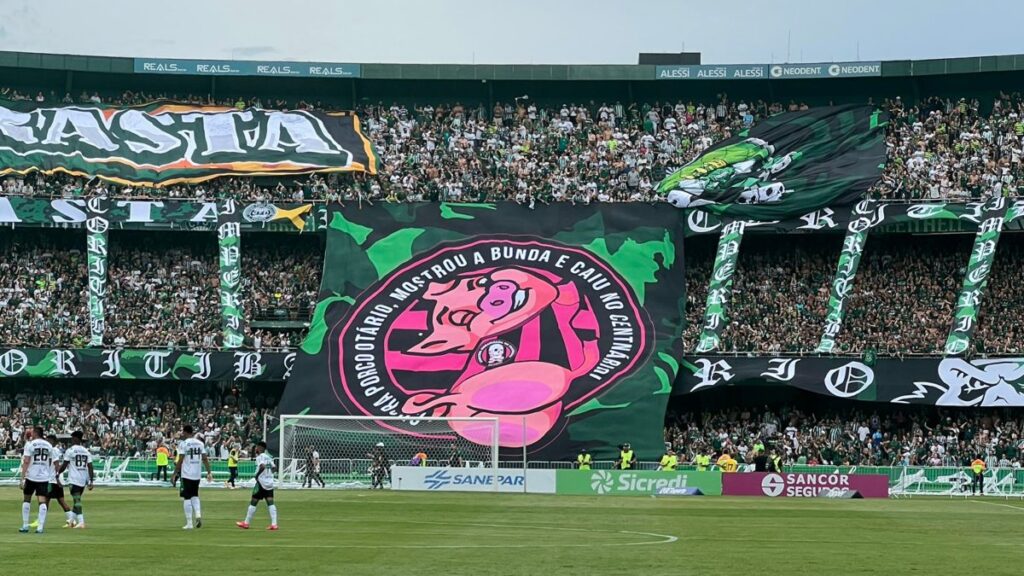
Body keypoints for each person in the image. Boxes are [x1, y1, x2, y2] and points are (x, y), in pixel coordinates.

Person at [172, 424, 213, 530]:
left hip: (186, 474)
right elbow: (205, 458)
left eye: (183, 432)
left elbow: (180, 459)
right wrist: (209, 472)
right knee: (195, 495)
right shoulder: (200, 443)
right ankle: (198, 515)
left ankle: (189, 523)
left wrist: (175, 473)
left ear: (186, 432)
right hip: (197, 474)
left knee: (186, 497)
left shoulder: (183, 444)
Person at [236, 441, 278, 531]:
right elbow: (275, 468)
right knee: (270, 502)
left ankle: (246, 523)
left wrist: (257, 475)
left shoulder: (260, 457)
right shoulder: (269, 457)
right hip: (269, 483)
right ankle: (274, 524)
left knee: (253, 502)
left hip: (261, 483)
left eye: (257, 447)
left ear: (261, 448)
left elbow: (262, 467)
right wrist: (269, 473)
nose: (256, 449)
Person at [19, 426, 53, 533]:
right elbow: (50, 460)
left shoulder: (30, 444)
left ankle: (25, 525)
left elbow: (26, 461)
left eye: (32, 432)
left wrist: (22, 477)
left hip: (31, 476)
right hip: (43, 477)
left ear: (35, 433)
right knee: (42, 501)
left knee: (27, 499)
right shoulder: (48, 445)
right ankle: (40, 527)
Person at [58, 431, 94, 529]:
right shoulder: (86, 451)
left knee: (77, 500)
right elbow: (90, 467)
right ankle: (71, 521)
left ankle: (81, 522)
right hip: (83, 479)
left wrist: (57, 473)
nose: (71, 440)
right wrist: (91, 481)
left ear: (76, 439)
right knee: (76, 500)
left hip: (74, 479)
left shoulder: (70, 451)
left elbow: (64, 465)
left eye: (73, 438)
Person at [43, 434, 75, 528]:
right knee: (60, 501)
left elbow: (57, 465)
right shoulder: (53, 450)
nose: (47, 442)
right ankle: (71, 521)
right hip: (53, 479)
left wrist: (57, 478)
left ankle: (41, 521)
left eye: (49, 440)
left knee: (46, 500)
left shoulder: (54, 450)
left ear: (53, 441)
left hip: (53, 480)